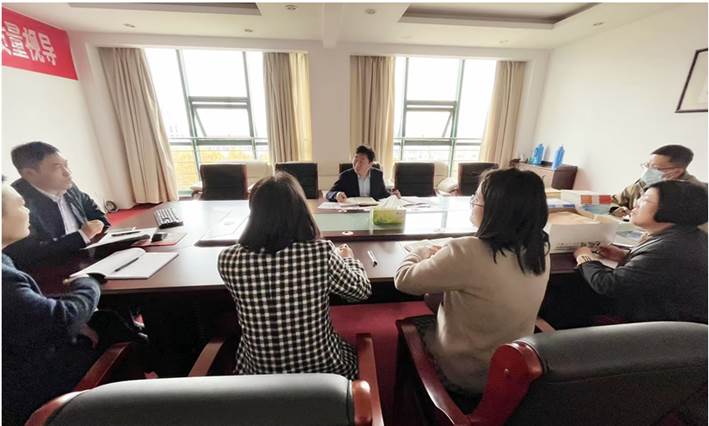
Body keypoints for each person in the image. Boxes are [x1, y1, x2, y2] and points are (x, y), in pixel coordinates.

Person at [394, 168, 550, 395]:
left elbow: (403, 279)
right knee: (436, 299)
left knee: (413, 324)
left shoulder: (467, 252)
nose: (472, 203)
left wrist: (421, 250)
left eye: (476, 199)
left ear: (496, 210)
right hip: (513, 371)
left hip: (463, 376)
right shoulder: (541, 249)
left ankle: (411, 396)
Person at [218, 172, 371, 379]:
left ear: (254, 211)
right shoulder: (320, 253)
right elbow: (361, 291)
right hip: (324, 373)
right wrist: (348, 259)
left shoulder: (228, 259)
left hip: (257, 378)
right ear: (300, 209)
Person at [2, 178, 102, 425]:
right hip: (31, 386)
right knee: (116, 332)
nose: (27, 210)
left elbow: (25, 311)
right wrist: (88, 283)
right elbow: (61, 321)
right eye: (21, 205)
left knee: (108, 320)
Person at [574, 180, 707, 323]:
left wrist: (584, 257)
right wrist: (624, 256)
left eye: (646, 200)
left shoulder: (668, 248)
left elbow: (609, 285)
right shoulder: (691, 235)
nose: (636, 203)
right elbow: (658, 271)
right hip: (665, 316)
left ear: (671, 210)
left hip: (659, 328)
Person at [4, 141, 110, 269]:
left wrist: (97, 227)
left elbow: (97, 216)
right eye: (57, 167)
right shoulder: (16, 203)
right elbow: (28, 253)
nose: (67, 172)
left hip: (85, 259)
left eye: (66, 165)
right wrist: (83, 235)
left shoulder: (68, 186)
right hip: (47, 271)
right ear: (29, 174)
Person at [611, 144, 705, 217]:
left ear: (677, 172)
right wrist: (614, 209)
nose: (648, 171)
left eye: (655, 168)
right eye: (647, 165)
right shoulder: (644, 183)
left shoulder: (697, 194)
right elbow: (608, 200)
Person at [326, 145, 400, 202]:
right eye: (356, 159)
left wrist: (392, 195)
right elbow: (329, 193)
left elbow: (383, 194)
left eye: (361, 161)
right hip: (353, 212)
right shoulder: (345, 176)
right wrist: (337, 195)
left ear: (370, 164)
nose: (357, 164)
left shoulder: (377, 175)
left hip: (371, 211)